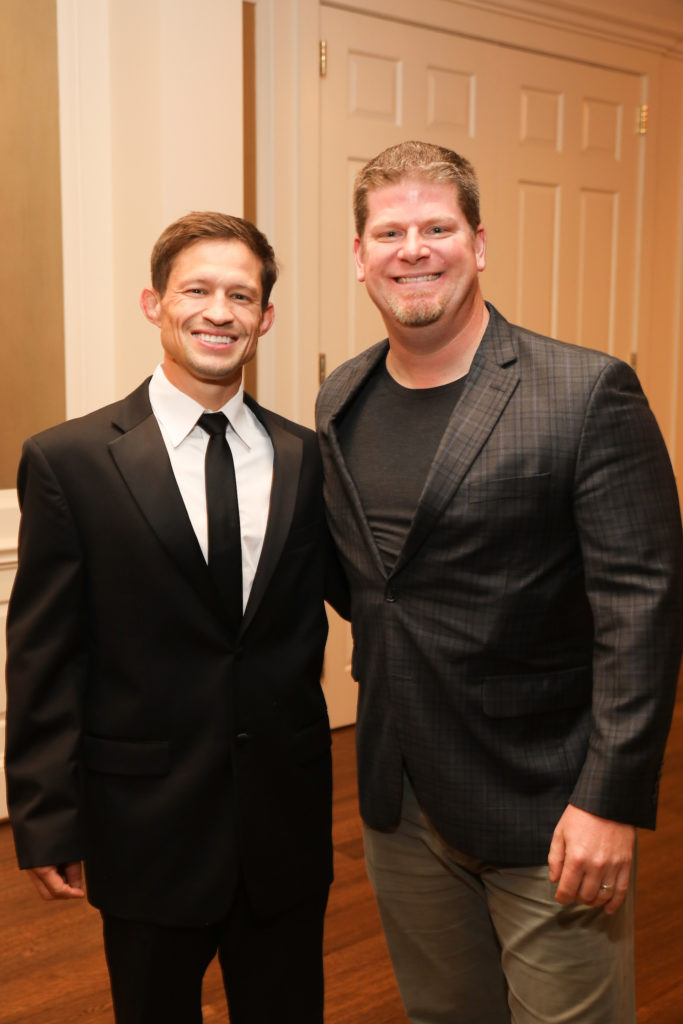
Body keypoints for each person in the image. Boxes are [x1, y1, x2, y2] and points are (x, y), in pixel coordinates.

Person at [315, 141, 683, 1023]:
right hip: (399, 796)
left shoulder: (585, 391)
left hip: (545, 800)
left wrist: (607, 799)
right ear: (358, 257)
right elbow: (369, 584)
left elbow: (642, 610)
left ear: (477, 244)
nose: (413, 249)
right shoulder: (341, 398)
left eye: (436, 227)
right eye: (389, 231)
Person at [6, 211, 346, 1024]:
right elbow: (43, 654)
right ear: (153, 303)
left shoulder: (306, 457)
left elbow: (366, 597)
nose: (218, 312)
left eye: (241, 295)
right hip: (145, 824)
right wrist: (46, 815)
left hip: (283, 824)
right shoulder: (70, 461)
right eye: (196, 289)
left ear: (265, 317)